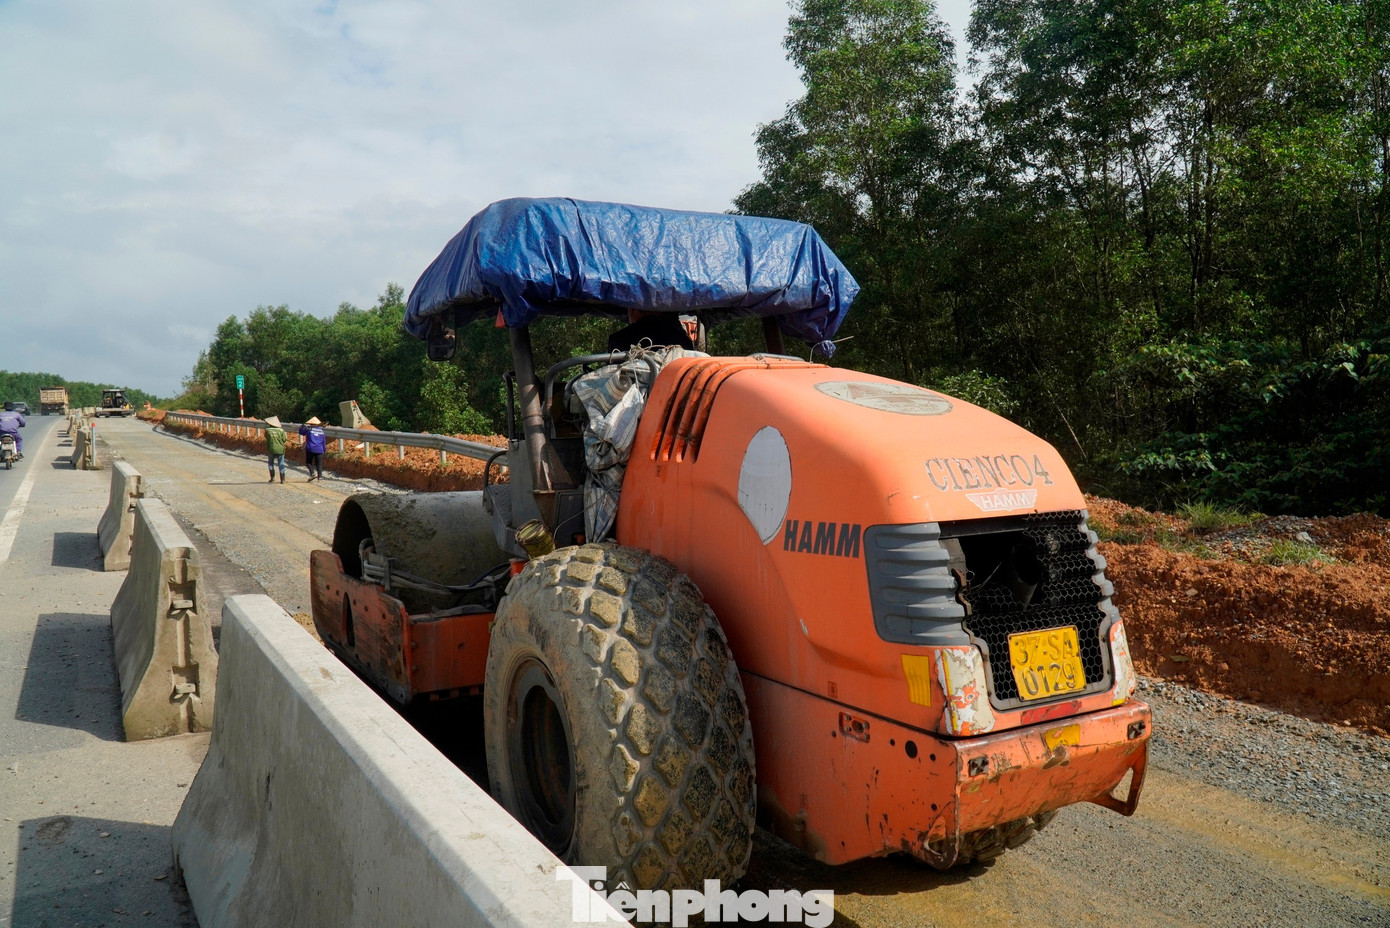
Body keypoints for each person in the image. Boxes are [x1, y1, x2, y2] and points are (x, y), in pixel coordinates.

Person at [299, 416, 326, 481]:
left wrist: (302, 426)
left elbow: (301, 432)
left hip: (310, 448)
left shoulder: (309, 429)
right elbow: (324, 441)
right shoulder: (321, 431)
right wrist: (324, 450)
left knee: (308, 462)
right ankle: (320, 477)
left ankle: (312, 473)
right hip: (320, 449)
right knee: (319, 463)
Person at [264, 415, 287, 483]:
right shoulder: (281, 430)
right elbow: (284, 440)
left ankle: (272, 478)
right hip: (280, 449)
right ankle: (282, 480)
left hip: (271, 448)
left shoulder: (267, 430)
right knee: (281, 463)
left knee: (271, 463)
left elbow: (266, 438)